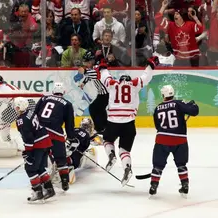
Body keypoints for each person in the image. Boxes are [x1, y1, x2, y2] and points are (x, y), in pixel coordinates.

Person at [98, 56, 160, 186]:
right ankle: (127, 168)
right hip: (129, 124)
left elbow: (104, 76)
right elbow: (146, 76)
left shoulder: (113, 84)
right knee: (124, 150)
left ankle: (111, 155)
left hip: (113, 122)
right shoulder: (134, 84)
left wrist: (103, 65)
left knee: (107, 140)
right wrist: (150, 65)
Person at [150, 85, 199, 197]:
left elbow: (158, 126)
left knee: (158, 165)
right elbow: (194, 111)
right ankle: (185, 184)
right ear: (173, 93)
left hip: (162, 139)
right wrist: (193, 104)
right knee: (181, 164)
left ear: (163, 95)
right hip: (180, 140)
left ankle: (153, 185)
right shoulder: (178, 103)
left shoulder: (158, 108)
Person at [34, 82, 77, 191]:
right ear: (64, 92)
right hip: (55, 133)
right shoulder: (67, 104)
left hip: (41, 132)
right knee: (61, 158)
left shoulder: (44, 99)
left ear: (53, 91)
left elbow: (35, 114)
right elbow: (69, 123)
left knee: (40, 158)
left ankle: (43, 182)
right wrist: (71, 137)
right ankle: (64, 181)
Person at [13, 97, 56, 202]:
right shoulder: (31, 112)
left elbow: (28, 137)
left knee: (30, 168)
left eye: (16, 106)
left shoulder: (21, 120)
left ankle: (38, 192)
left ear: (19, 107)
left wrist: (28, 152)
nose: (15, 108)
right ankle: (49, 190)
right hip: (45, 142)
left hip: (38, 145)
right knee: (40, 168)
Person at [74, 50, 109, 137]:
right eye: (85, 62)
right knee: (99, 109)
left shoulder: (97, 68)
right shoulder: (93, 68)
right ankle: (105, 128)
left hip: (106, 94)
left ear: (92, 61)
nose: (86, 64)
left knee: (93, 108)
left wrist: (82, 70)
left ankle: (100, 128)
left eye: (87, 62)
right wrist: (84, 83)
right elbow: (89, 76)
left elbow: (93, 74)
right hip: (103, 93)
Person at [66, 118, 99, 183]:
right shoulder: (87, 137)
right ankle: (68, 165)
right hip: (73, 154)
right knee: (80, 156)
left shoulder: (74, 129)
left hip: (62, 148)